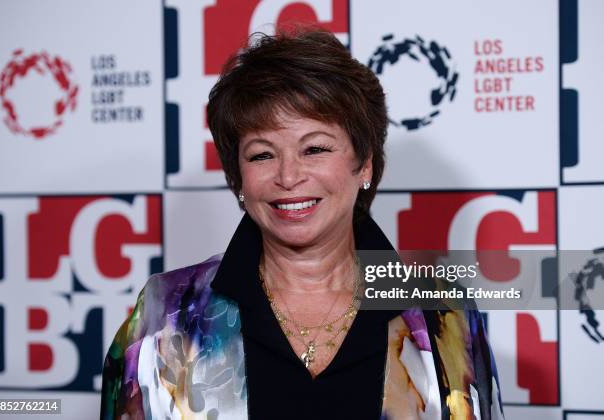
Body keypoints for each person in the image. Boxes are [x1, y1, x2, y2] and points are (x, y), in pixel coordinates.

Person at [101, 28, 504, 420]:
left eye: (314, 149)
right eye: (262, 155)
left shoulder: (444, 313)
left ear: (364, 163)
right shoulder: (167, 311)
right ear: (239, 177)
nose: (288, 177)